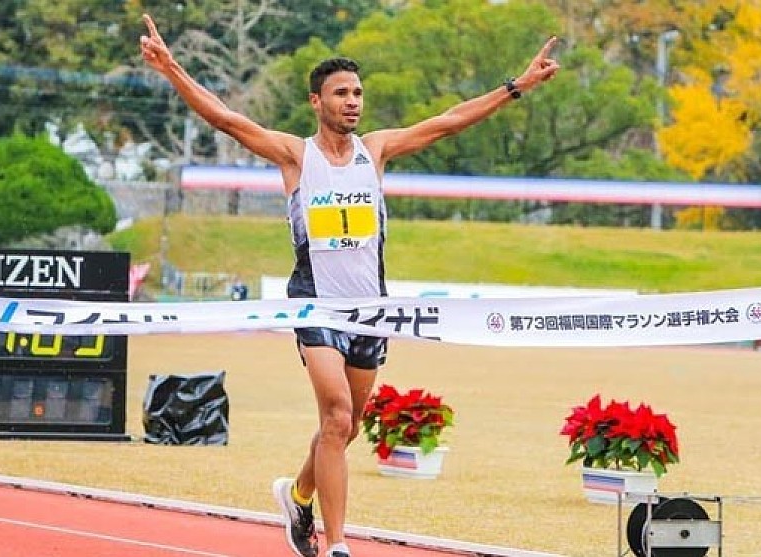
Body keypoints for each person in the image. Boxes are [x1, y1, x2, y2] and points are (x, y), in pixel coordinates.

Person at [140, 13, 559, 557]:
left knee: (347, 427)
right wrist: (172, 68)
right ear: (316, 102)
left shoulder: (375, 150)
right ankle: (337, 544)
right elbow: (225, 119)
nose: (353, 101)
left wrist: (516, 87)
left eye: (358, 93)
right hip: (316, 307)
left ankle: (297, 495)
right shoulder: (295, 155)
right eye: (341, 93)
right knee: (335, 415)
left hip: (370, 310)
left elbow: (449, 122)